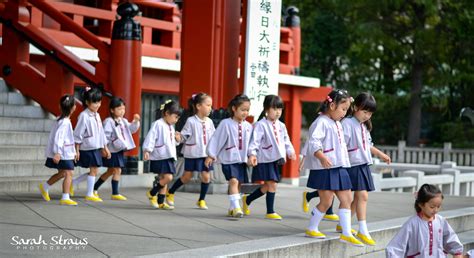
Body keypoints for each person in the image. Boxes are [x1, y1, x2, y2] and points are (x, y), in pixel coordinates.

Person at [304, 89, 364, 247]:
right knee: (326, 201)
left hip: (340, 165)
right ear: (332, 105)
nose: (345, 113)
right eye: (343, 109)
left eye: (346, 110)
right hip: (325, 167)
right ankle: (312, 227)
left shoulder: (337, 123)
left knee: (347, 198)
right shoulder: (321, 122)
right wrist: (321, 156)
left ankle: (346, 232)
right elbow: (314, 143)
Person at [339, 92, 391, 245]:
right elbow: (342, 146)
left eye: (370, 113)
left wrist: (381, 154)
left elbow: (368, 145)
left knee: (359, 197)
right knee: (361, 197)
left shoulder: (363, 125)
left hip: (362, 164)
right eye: (365, 111)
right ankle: (362, 229)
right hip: (351, 165)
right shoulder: (347, 123)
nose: (367, 115)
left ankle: (345, 225)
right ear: (355, 107)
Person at [244, 95, 296, 220]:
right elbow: (254, 141)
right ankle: (270, 211)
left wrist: (291, 151)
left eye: (280, 109)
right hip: (264, 158)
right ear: (267, 109)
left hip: (275, 159)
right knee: (272, 184)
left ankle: (247, 199)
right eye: (275, 108)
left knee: (268, 186)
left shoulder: (281, 126)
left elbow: (286, 141)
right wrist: (252, 154)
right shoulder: (260, 125)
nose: (278, 112)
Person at [205, 94, 253, 218]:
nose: (245, 113)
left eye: (247, 110)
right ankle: (237, 207)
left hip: (242, 160)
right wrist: (211, 155)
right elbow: (217, 140)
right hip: (229, 158)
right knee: (233, 181)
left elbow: (252, 143)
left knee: (239, 184)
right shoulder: (225, 124)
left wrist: (252, 155)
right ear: (234, 108)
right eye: (242, 110)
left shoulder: (248, 126)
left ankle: (232, 207)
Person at [386, 184, 463, 257]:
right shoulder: (412, 223)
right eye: (432, 207)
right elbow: (396, 246)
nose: (436, 210)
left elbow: (450, 237)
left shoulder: (441, 221)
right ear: (421, 204)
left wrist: (457, 251)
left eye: (438, 206)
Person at [166, 93, 215, 209]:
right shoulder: (191, 121)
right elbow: (185, 135)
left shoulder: (210, 122)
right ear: (198, 106)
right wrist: (179, 137)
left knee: (206, 176)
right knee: (187, 176)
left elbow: (214, 138)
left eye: (211, 105)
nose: (210, 108)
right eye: (208, 105)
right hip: (193, 153)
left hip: (206, 154)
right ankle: (171, 192)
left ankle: (201, 200)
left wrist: (213, 152)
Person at [94, 97, 140, 201]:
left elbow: (131, 129)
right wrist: (105, 148)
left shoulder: (123, 121)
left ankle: (95, 188)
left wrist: (136, 122)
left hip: (118, 150)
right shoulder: (109, 121)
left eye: (123, 109)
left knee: (111, 171)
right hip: (111, 150)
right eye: (119, 109)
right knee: (116, 170)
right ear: (112, 110)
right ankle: (114, 193)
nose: (122, 111)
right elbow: (105, 136)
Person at [71, 87, 110, 202]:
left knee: (95, 170)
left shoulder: (97, 115)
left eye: (99, 102)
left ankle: (73, 184)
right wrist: (76, 150)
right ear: (87, 102)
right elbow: (78, 134)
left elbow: (101, 132)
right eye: (94, 102)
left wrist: (105, 147)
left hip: (96, 147)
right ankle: (89, 193)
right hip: (87, 147)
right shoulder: (83, 116)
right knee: (94, 170)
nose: (98, 105)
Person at [39, 94, 78, 205]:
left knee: (62, 173)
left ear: (60, 106)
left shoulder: (60, 120)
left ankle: (45, 186)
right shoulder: (65, 122)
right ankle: (65, 197)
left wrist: (73, 152)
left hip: (65, 151)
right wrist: (58, 152)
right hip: (63, 152)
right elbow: (59, 138)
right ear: (73, 107)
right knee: (69, 173)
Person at [144, 100, 183, 209]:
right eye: (175, 117)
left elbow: (171, 142)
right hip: (160, 155)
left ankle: (161, 201)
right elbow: (151, 138)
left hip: (168, 155)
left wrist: (177, 140)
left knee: (163, 178)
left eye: (178, 118)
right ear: (166, 113)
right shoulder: (158, 124)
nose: (176, 120)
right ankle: (152, 193)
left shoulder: (170, 126)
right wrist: (147, 150)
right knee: (168, 177)